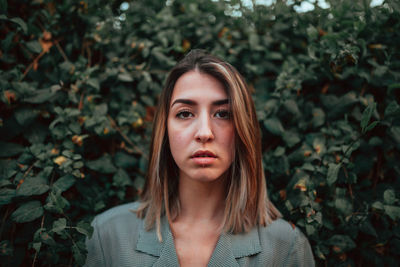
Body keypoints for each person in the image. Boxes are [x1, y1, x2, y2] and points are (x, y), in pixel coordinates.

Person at [85, 50, 315, 267]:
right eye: (185, 113)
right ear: (164, 129)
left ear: (244, 129)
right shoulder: (107, 237)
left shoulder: (285, 248)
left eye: (223, 114)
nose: (204, 132)